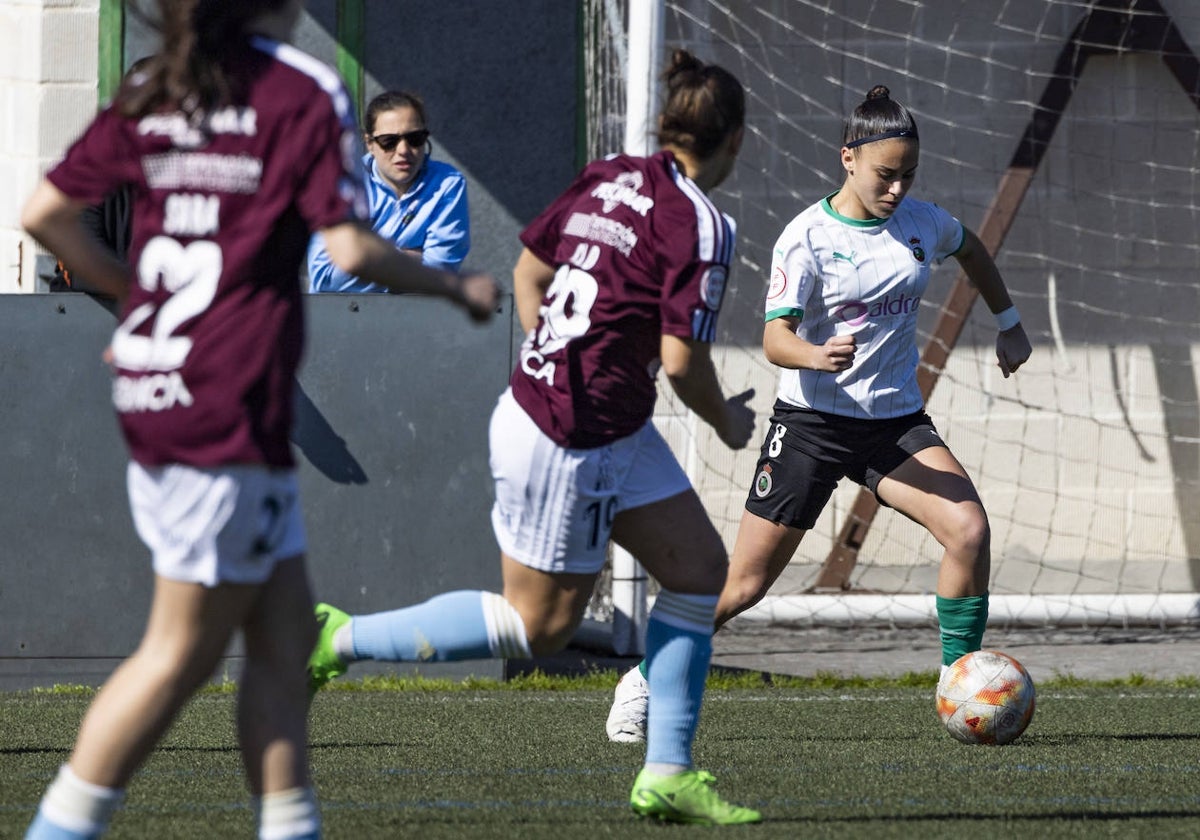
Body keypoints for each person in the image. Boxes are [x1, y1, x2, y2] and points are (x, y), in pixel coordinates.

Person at [19, 1, 497, 837]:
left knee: (282, 647)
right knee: (177, 655)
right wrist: (454, 287)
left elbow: (44, 216)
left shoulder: (150, 87)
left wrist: (138, 304)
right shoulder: (301, 88)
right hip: (221, 402)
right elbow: (349, 250)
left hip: (184, 394)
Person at [305, 49, 762, 826]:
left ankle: (669, 773)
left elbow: (527, 268)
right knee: (539, 628)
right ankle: (339, 637)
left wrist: (549, 354)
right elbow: (683, 362)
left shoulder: (610, 173)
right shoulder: (705, 225)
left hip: (601, 416)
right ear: (735, 142)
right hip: (567, 433)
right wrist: (727, 420)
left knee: (698, 571)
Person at [605, 84, 1034, 743]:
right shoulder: (806, 238)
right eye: (886, 176)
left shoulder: (922, 223)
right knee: (742, 586)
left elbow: (971, 249)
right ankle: (641, 681)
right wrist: (813, 354)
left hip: (893, 425)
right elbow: (775, 336)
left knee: (968, 531)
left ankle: (958, 686)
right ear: (849, 160)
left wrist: (1008, 323)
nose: (896, 190)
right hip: (812, 427)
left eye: (907, 176)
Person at [306, 90, 469, 291]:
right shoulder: (342, 183)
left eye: (414, 138)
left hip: (410, 318)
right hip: (339, 318)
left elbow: (441, 273)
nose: (403, 150)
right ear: (369, 144)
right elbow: (326, 279)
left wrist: (363, 255)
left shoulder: (447, 184)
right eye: (389, 141)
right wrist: (412, 259)